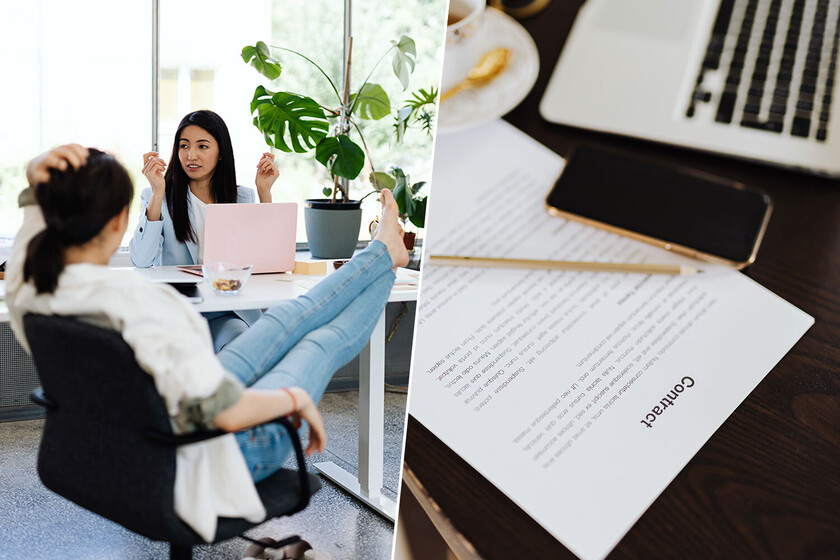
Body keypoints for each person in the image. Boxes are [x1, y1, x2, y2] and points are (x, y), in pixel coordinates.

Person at [7, 144, 409, 543]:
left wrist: (38, 169)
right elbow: (229, 415)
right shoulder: (143, 306)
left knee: (287, 318)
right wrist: (293, 400)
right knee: (319, 342)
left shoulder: (31, 285)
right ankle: (387, 258)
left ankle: (381, 255)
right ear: (118, 223)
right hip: (206, 457)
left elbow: (32, 216)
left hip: (120, 445)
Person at [130, 110, 279, 350]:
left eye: (202, 146)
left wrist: (264, 194)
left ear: (221, 153)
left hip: (226, 310)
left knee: (239, 341)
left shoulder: (242, 197)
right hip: (179, 310)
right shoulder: (156, 196)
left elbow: (267, 260)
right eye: (184, 146)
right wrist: (158, 193)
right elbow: (141, 260)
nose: (191, 155)